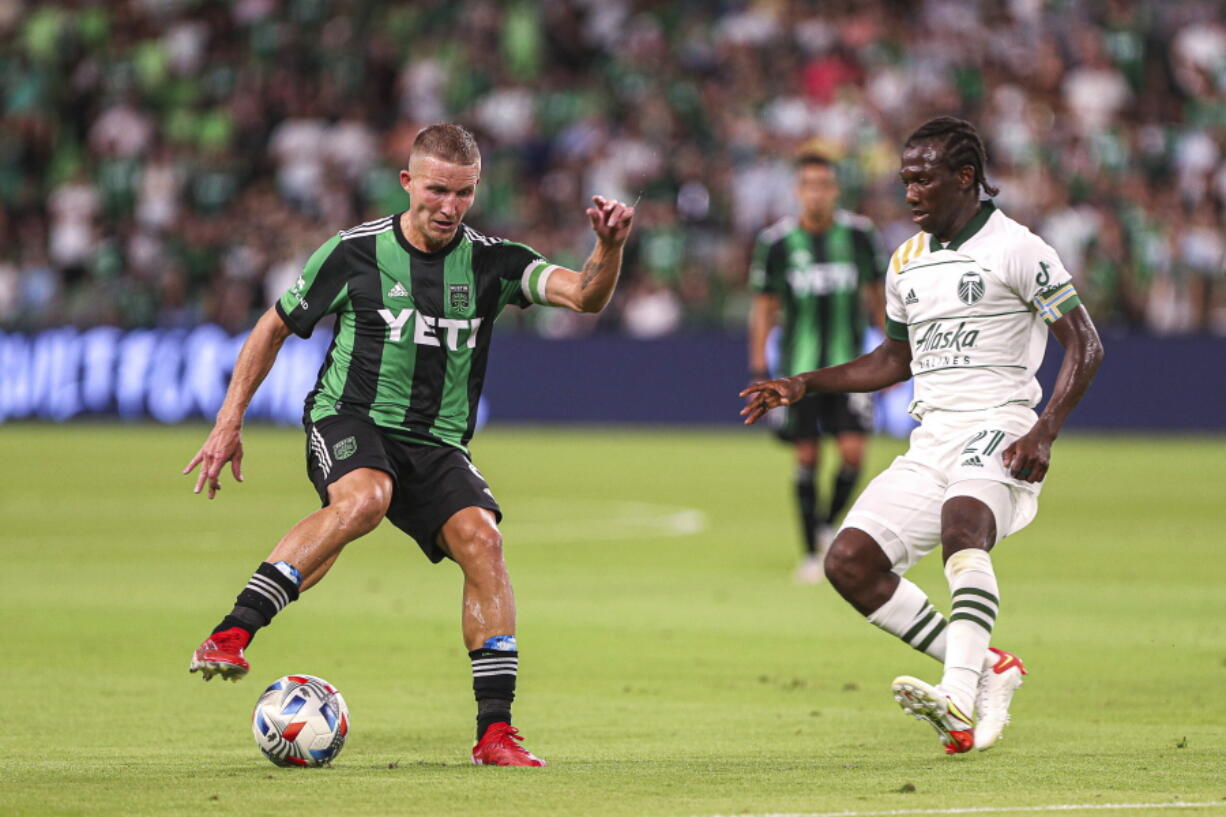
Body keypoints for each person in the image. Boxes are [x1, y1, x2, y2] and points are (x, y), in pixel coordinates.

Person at [183, 123, 635, 767]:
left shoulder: (493, 261)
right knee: (366, 497)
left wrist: (608, 247)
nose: (449, 207)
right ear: (408, 183)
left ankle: (494, 733)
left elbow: (585, 295)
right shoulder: (352, 252)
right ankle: (230, 632)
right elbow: (273, 326)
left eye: (463, 194)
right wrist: (230, 421)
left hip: (437, 441)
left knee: (484, 539)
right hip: (350, 416)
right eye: (437, 191)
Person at [740, 117, 1103, 754]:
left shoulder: (1018, 248)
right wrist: (804, 383)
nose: (909, 192)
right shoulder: (906, 260)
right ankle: (989, 665)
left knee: (965, 525)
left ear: (965, 178)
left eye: (923, 179)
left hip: (1001, 426)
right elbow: (892, 359)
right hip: (931, 439)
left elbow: (1087, 345)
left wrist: (1044, 431)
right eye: (905, 179)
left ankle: (958, 700)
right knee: (849, 563)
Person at [747, 153, 886, 584]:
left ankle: (826, 525)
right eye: (808, 184)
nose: (816, 192)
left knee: (852, 453)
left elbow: (877, 296)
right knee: (806, 456)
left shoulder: (860, 235)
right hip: (798, 372)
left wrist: (889, 350)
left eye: (823, 184)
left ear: (835, 190)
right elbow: (765, 306)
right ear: (797, 190)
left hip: (852, 369)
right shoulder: (777, 243)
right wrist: (758, 364)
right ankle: (810, 553)